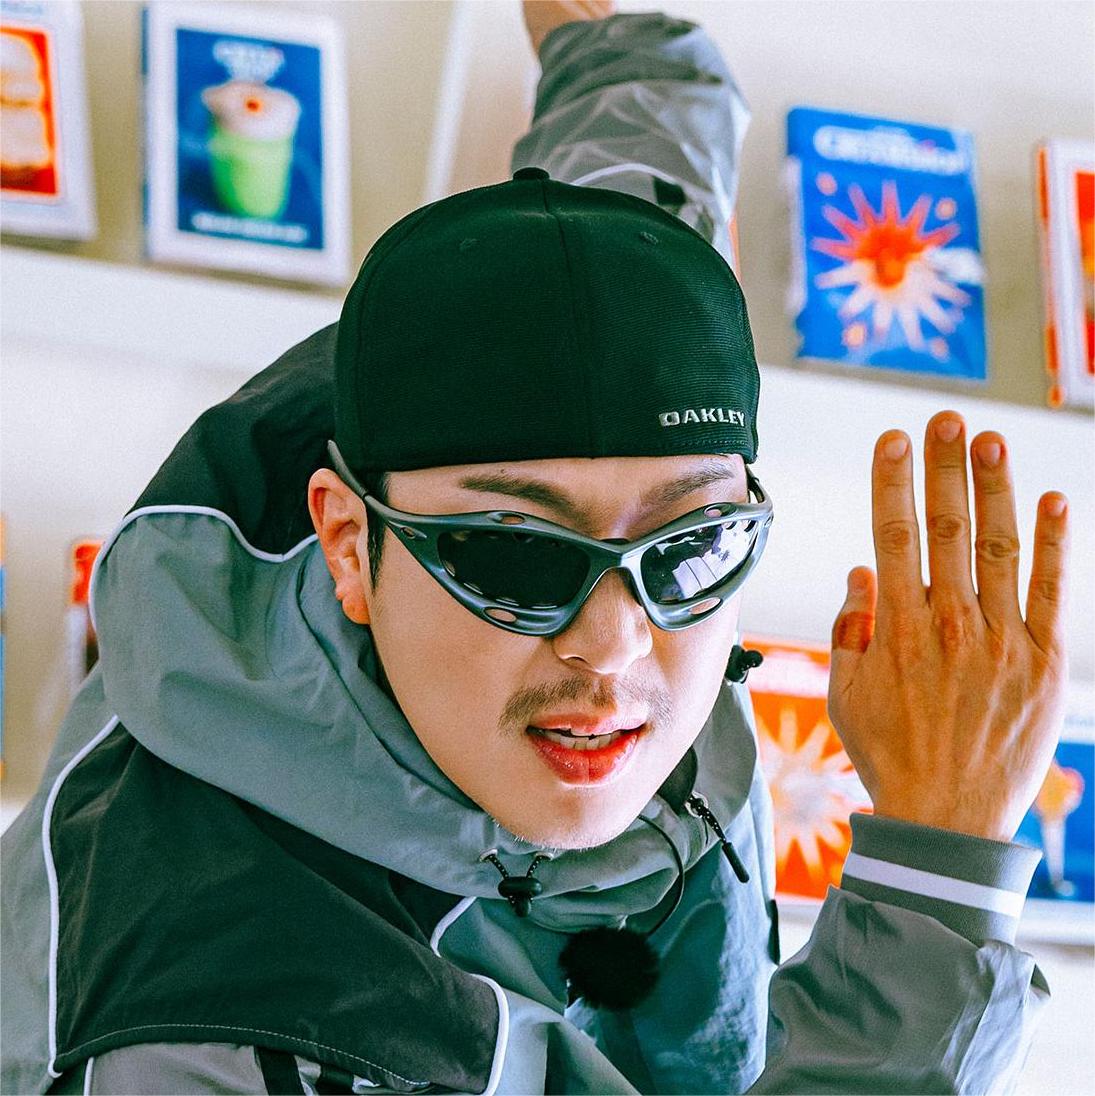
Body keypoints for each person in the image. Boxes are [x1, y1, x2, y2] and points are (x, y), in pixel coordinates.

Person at [1, 4, 1069, 1093]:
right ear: (348, 544)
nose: (616, 643)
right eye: (516, 555)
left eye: (691, 544)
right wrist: (938, 874)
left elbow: (623, 244)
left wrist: (618, 53)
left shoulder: (462, 401)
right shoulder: (234, 1041)